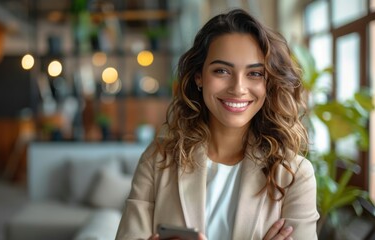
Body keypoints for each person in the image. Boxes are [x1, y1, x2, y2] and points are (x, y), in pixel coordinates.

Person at [116, 8, 319, 240]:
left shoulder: (295, 175)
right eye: (222, 71)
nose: (238, 88)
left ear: (269, 83)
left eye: (255, 73)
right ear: (199, 77)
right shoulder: (158, 159)